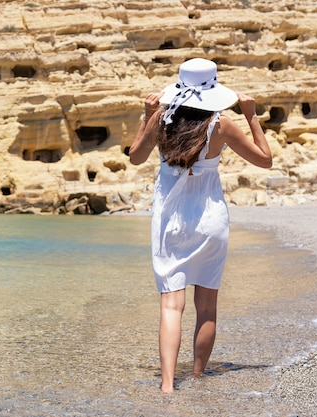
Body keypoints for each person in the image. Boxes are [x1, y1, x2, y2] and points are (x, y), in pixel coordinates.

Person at [128, 58, 272, 393]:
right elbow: (265, 160)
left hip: (170, 221)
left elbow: (135, 157)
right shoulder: (221, 125)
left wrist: (147, 115)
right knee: (206, 307)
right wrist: (251, 115)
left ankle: (167, 386)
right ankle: (195, 376)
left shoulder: (161, 121)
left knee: (170, 305)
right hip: (210, 221)